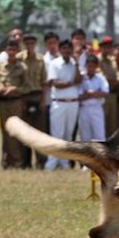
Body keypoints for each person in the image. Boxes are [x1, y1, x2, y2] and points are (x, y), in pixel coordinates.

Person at [45, 40, 82, 170]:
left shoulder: (74, 64)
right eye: (64, 48)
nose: (67, 51)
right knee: (57, 134)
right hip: (59, 103)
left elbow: (79, 80)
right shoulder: (54, 63)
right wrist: (71, 83)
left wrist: (77, 63)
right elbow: (55, 83)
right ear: (60, 50)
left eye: (69, 48)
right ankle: (51, 164)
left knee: (68, 135)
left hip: (73, 103)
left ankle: (64, 163)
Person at [0, 40, 28, 168]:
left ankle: (18, 161)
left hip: (16, 102)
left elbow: (27, 87)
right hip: (3, 103)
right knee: (4, 133)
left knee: (16, 132)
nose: (11, 52)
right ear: (6, 50)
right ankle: (6, 162)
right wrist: (0, 86)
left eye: (14, 50)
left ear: (17, 51)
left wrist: (14, 88)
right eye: (9, 49)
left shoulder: (22, 67)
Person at [18, 34, 48, 169]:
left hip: (37, 97)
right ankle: (25, 162)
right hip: (24, 98)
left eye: (32, 43)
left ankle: (41, 162)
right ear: (24, 44)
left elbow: (44, 82)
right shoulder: (19, 59)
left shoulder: (41, 59)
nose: (30, 45)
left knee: (39, 132)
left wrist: (43, 101)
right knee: (24, 132)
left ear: (35, 44)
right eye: (27, 43)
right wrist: (21, 101)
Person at [78, 55, 109, 142]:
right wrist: (96, 93)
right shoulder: (81, 78)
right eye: (88, 66)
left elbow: (105, 93)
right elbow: (79, 97)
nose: (90, 68)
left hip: (97, 108)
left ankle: (100, 155)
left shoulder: (101, 78)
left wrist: (89, 93)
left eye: (92, 66)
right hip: (84, 109)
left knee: (99, 135)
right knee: (85, 136)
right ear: (85, 66)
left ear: (96, 66)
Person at [98, 37, 119, 137]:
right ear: (101, 48)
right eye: (105, 47)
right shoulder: (97, 60)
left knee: (112, 124)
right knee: (101, 123)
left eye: (109, 47)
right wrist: (113, 80)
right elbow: (101, 77)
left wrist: (114, 80)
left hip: (112, 95)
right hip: (101, 96)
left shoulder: (112, 61)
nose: (107, 49)